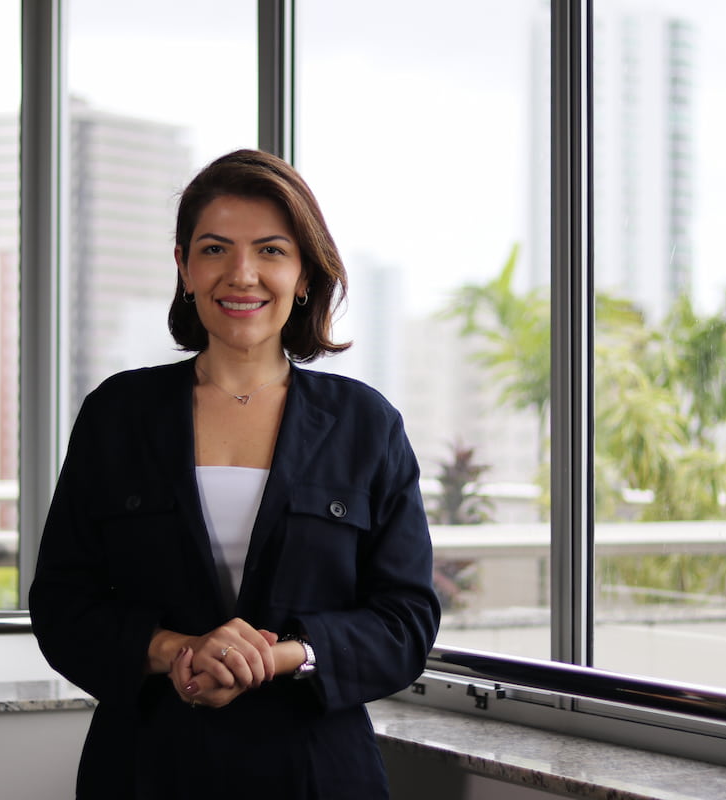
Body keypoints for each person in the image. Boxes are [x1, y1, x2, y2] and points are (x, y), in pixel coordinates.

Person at [29, 148, 441, 799]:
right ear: (184, 268)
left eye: (271, 251)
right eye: (215, 249)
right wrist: (175, 652)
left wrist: (274, 658)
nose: (241, 274)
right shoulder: (117, 416)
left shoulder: (366, 425)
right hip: (144, 769)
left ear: (305, 274)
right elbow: (61, 604)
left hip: (316, 774)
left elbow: (405, 621)